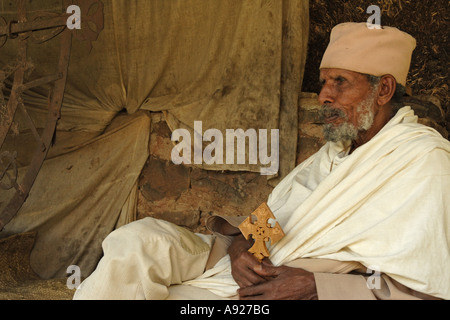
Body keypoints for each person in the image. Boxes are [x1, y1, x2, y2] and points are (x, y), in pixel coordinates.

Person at [73, 22, 450, 300]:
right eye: (323, 83)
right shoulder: (333, 154)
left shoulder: (425, 162)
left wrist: (315, 287)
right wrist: (240, 248)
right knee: (137, 240)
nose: (323, 96)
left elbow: (424, 290)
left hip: (296, 288)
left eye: (340, 83)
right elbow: (273, 220)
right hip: (248, 266)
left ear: (383, 89)